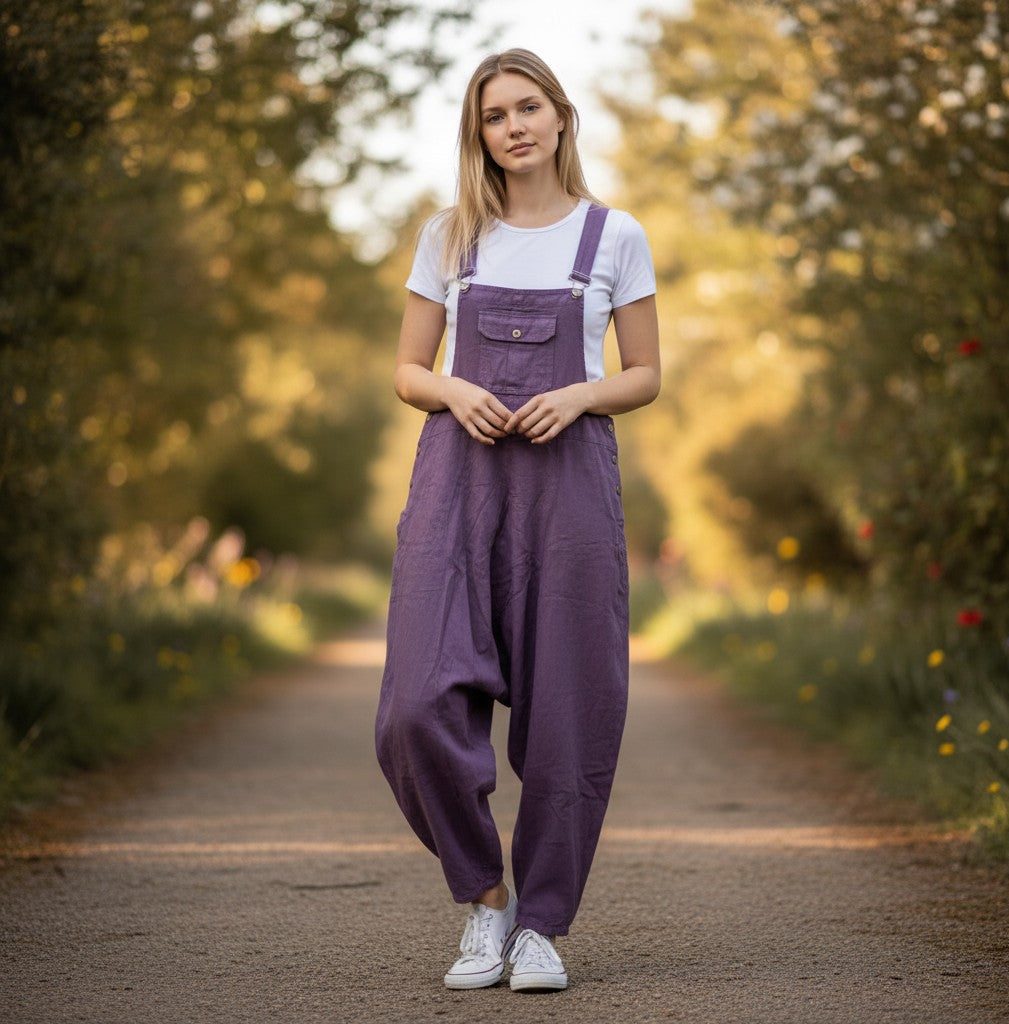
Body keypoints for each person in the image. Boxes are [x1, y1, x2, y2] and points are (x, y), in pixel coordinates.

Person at [375, 48, 659, 994]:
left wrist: (580, 398)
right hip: (459, 484)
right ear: (480, 135)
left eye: (528, 108)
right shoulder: (451, 236)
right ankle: (485, 901)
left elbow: (645, 374)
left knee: (571, 715)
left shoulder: (614, 236)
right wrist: (453, 388)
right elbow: (408, 371)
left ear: (562, 115)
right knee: (414, 706)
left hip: (570, 488)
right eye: (495, 117)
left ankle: (541, 926)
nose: (515, 128)